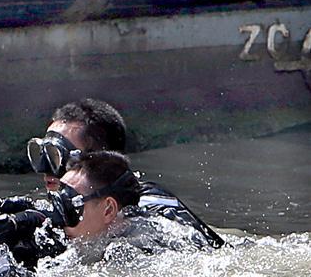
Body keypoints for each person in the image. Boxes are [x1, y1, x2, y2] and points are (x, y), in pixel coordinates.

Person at [21, 98, 225, 248]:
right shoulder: (70, 211)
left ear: (100, 161)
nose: (46, 170)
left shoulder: (142, 208)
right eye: (43, 154)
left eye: (57, 157)